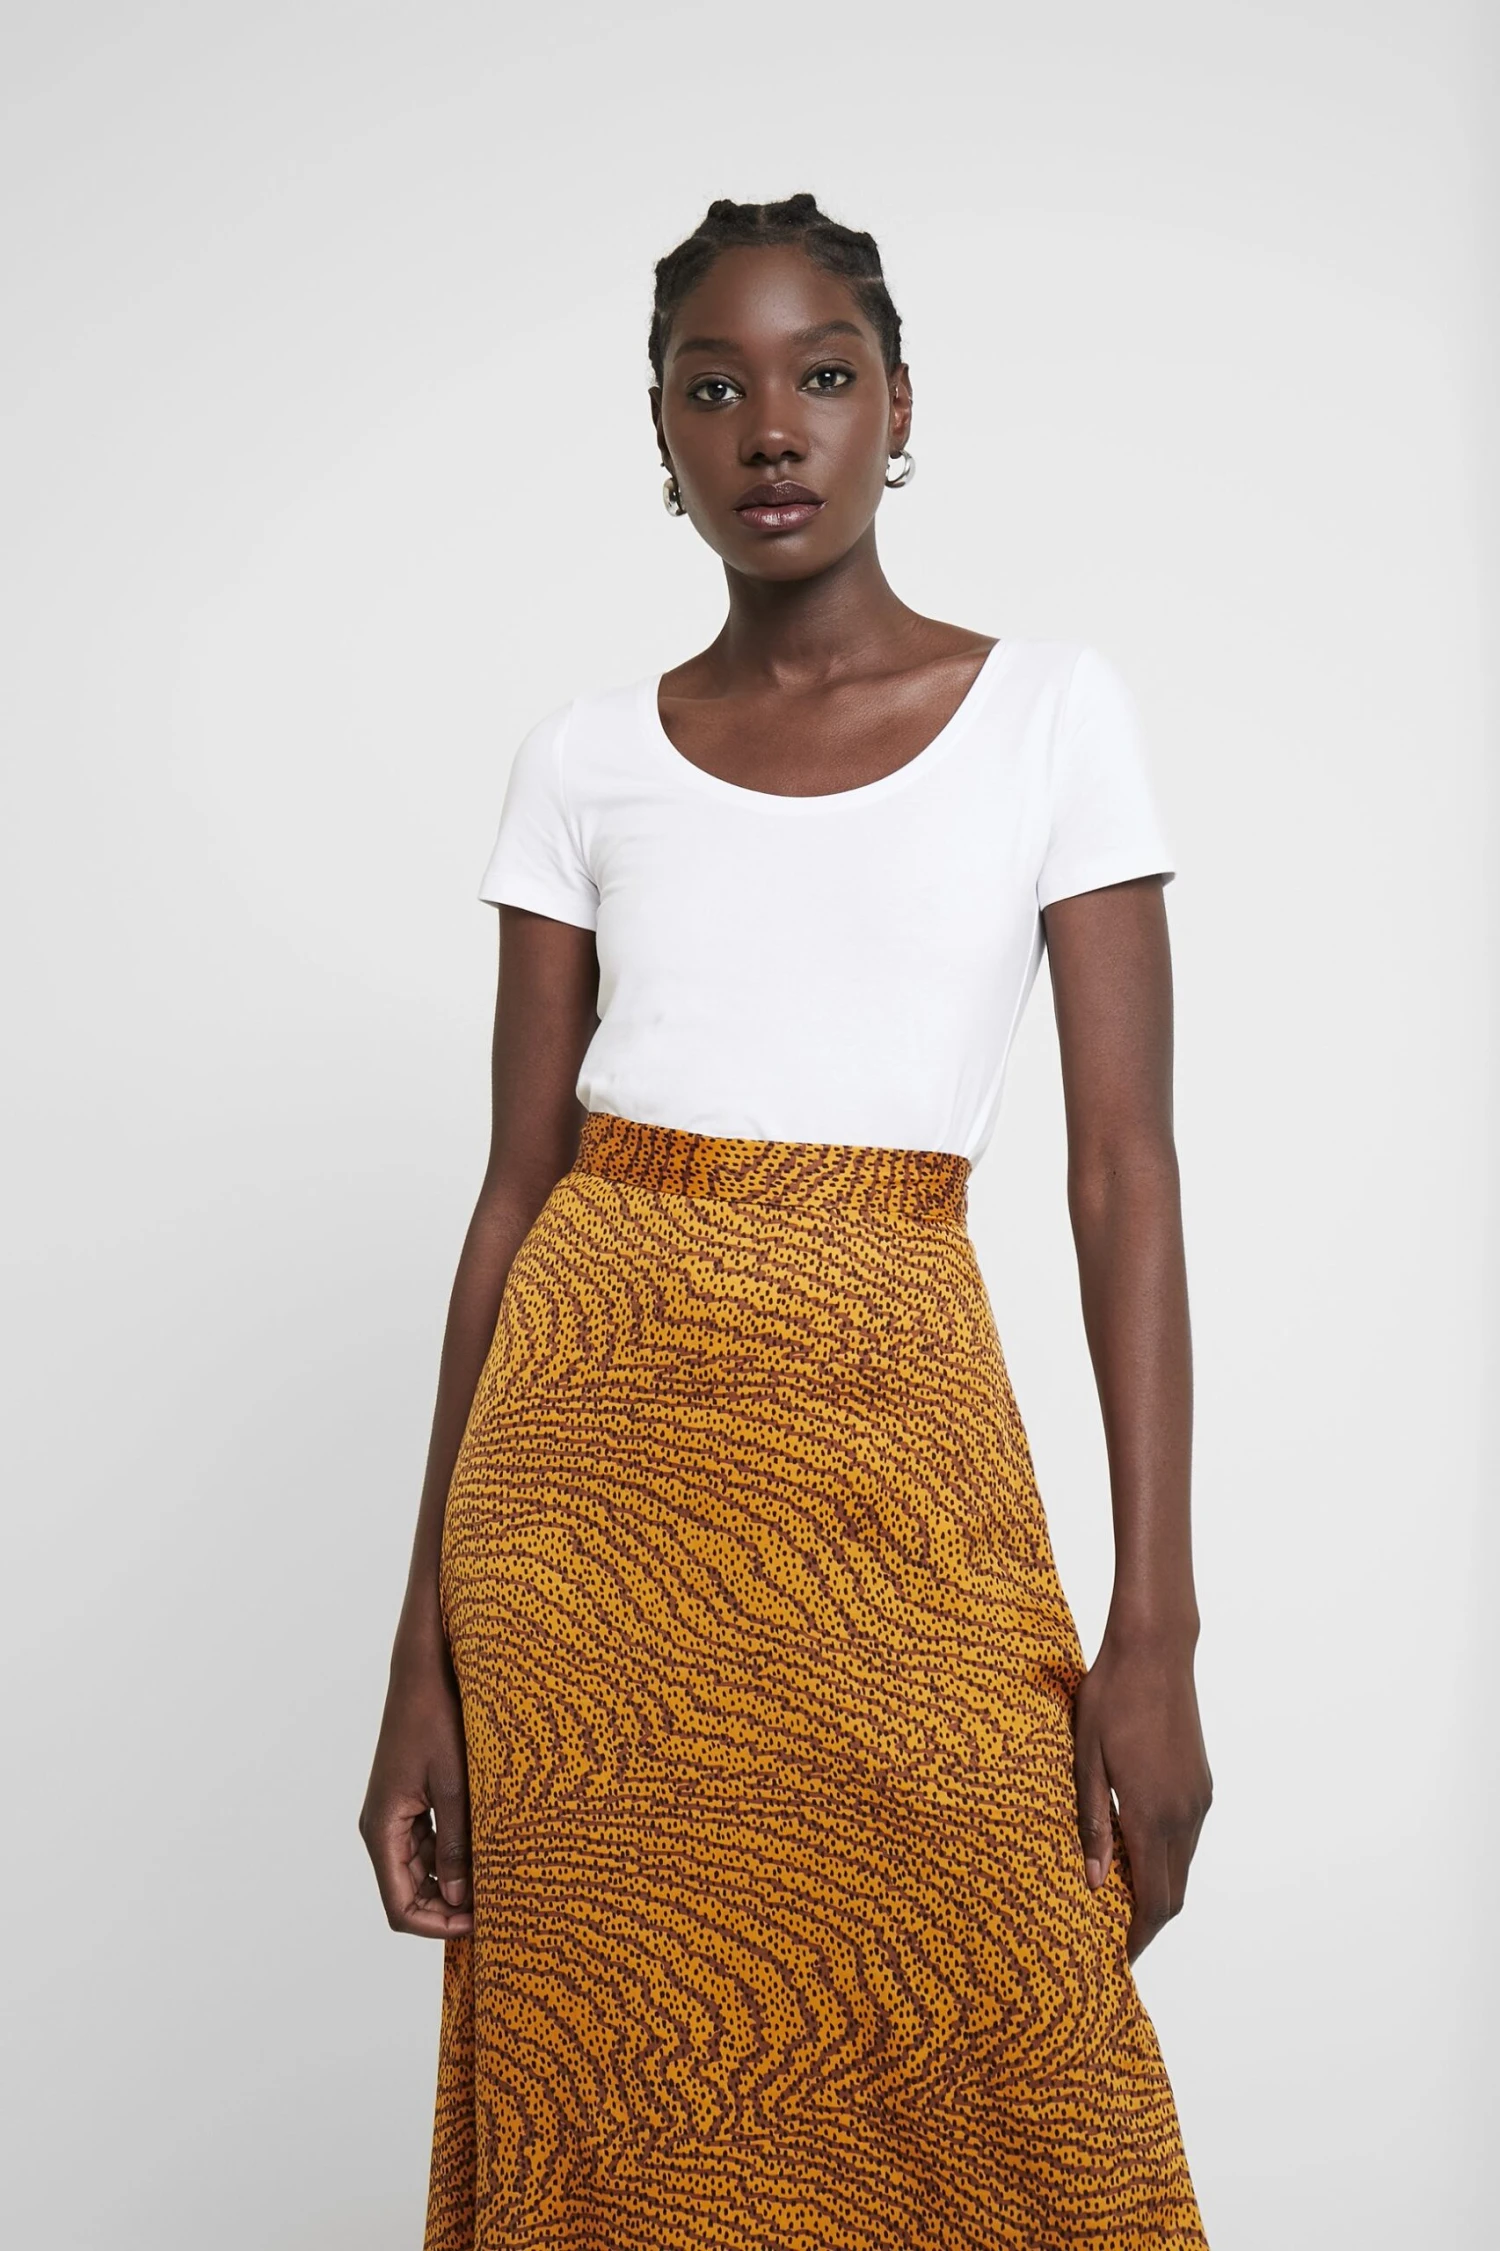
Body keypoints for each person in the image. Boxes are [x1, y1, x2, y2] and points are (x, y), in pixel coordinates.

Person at [360, 191, 1213, 2250]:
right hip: (587, 1499)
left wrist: (1156, 1629)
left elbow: (1125, 1177)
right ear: (657, 431)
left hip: (896, 1450)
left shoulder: (1053, 713)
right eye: (712, 386)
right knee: (635, 2080)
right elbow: (515, 1194)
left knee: (1009, 2043)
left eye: (822, 375)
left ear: (899, 407)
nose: (769, 428)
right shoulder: (583, 760)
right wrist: (418, 1662)